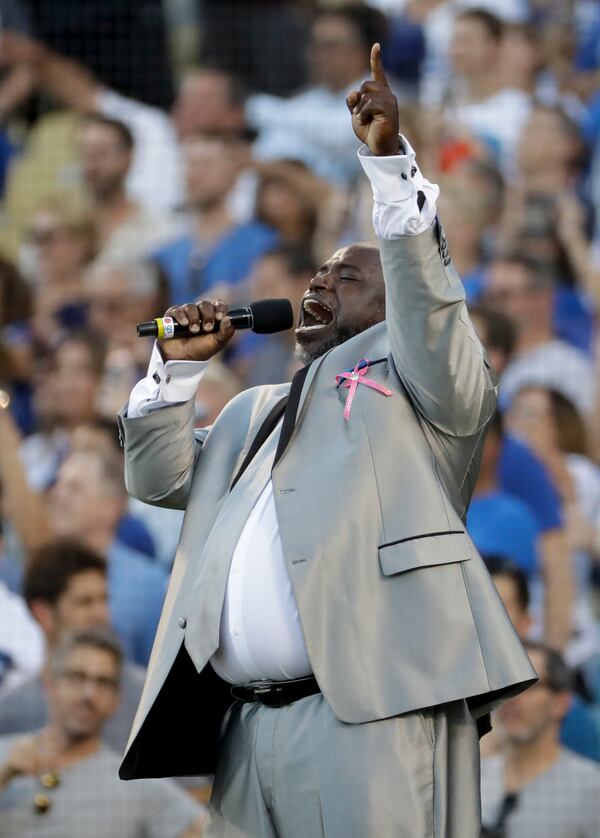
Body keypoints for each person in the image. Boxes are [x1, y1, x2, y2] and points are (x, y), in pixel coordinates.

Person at [117, 45, 535, 837]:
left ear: (393, 307)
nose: (317, 283)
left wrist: (388, 171)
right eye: (317, 272)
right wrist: (171, 376)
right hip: (242, 728)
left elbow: (433, 316)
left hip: (365, 715)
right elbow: (158, 477)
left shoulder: (417, 390)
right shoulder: (249, 410)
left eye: (347, 276)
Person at [0, 629, 205, 838]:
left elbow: (208, 832)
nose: (89, 694)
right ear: (49, 684)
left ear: (116, 700)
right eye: (77, 677)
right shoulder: (6, 754)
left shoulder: (136, 785)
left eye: (103, 683)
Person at [0, 539, 145, 754]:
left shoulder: (146, 698)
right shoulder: (10, 711)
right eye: (85, 602)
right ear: (44, 614)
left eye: (103, 600)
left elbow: (194, 787)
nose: (101, 614)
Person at [47, 448, 167, 666]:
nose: (57, 494)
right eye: (58, 484)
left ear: (110, 506)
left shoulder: (150, 585)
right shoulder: (39, 569)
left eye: (74, 488)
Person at [246, 3, 389, 186]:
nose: (317, 54)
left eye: (329, 46)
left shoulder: (383, 94)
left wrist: (261, 110)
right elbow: (265, 150)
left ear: (361, 52)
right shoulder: (308, 99)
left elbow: (344, 134)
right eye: (314, 45)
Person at [480, 641, 600, 837]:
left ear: (560, 703)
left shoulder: (590, 787)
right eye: (504, 684)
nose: (511, 698)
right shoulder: (473, 779)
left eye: (526, 686)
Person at [153, 131, 278, 306]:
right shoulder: (164, 249)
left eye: (206, 164)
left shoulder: (265, 245)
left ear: (233, 173)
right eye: (190, 164)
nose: (194, 174)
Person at [483, 254, 594, 415]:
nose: (493, 306)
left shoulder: (569, 368)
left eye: (504, 295)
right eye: (489, 297)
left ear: (542, 299)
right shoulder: (486, 361)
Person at [79, 114, 176, 263]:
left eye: (101, 154)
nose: (92, 166)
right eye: (85, 154)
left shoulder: (159, 232)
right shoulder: (68, 227)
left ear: (128, 158)